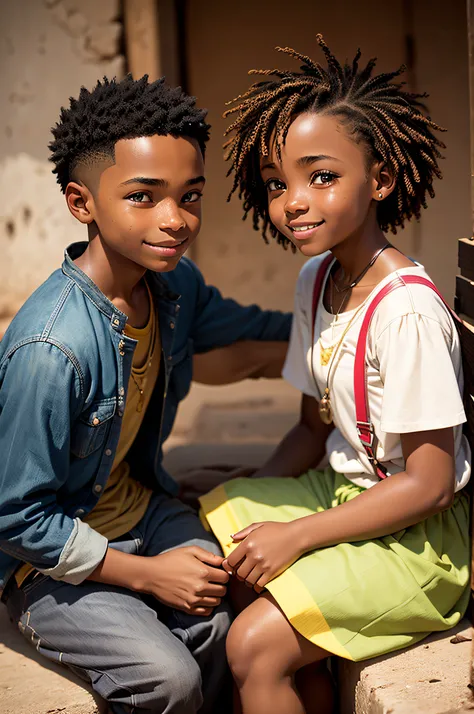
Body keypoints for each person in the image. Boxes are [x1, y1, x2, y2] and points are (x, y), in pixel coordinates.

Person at [0, 74, 291, 714]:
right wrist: (147, 576)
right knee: (168, 679)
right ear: (82, 203)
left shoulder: (174, 287)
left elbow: (256, 331)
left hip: (144, 510)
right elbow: (16, 517)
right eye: (143, 196)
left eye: (190, 196)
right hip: (51, 559)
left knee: (226, 621)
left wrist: (349, 317)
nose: (175, 220)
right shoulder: (52, 348)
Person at [199, 35, 471, 714]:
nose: (293, 200)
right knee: (228, 549)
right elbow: (308, 428)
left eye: (321, 176)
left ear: (379, 180)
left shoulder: (405, 312)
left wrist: (293, 534)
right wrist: (252, 489)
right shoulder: (315, 277)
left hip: (416, 540)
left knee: (253, 647)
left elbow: (432, 486)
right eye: (275, 183)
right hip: (339, 492)